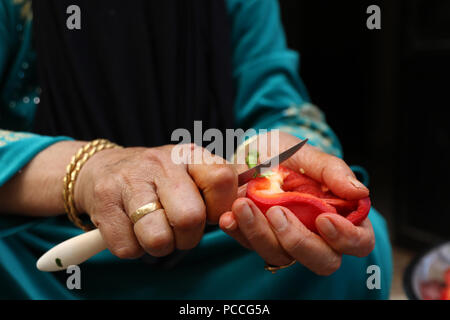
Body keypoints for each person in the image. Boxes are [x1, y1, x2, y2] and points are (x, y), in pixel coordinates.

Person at [0, 0, 392, 299]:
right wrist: (88, 171)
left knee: (356, 251)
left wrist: (271, 159)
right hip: (44, 236)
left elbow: (277, 101)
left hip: (219, 231)